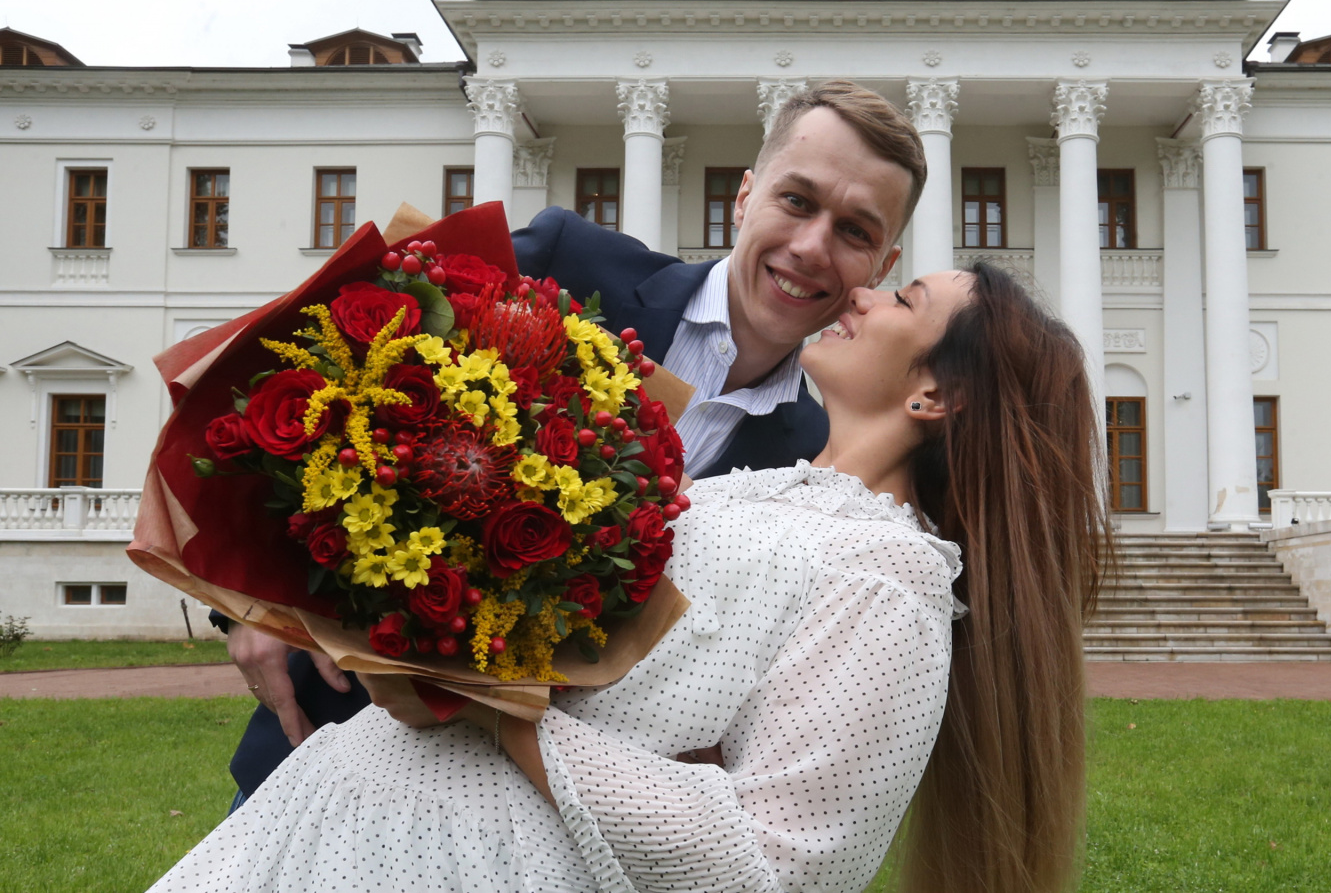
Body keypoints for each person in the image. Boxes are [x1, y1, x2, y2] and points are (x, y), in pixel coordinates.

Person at [149, 262, 1111, 893]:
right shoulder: (744, 493)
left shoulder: (889, 580)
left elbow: (778, 865)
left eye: (904, 300)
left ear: (935, 393)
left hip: (478, 865)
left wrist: (494, 706)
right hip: (337, 821)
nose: (860, 292)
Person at [213, 81, 924, 803]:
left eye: (855, 231)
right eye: (797, 201)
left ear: (883, 266)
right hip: (330, 734)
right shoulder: (570, 263)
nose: (811, 246)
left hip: (537, 815)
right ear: (744, 198)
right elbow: (318, 365)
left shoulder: (809, 464)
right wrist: (241, 604)